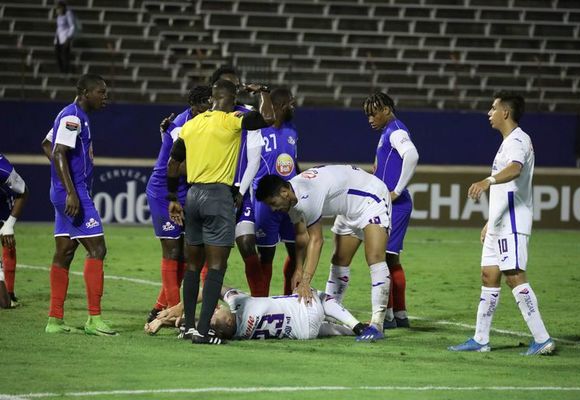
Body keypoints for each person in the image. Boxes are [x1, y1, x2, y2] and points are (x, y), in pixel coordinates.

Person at [166, 79, 274, 345]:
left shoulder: (191, 125)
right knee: (216, 266)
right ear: (231, 97)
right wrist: (263, 93)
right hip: (218, 196)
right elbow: (268, 118)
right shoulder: (231, 120)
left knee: (192, 265)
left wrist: (172, 197)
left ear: (213, 97)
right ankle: (203, 330)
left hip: (192, 196)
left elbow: (173, 162)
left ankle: (188, 327)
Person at [448, 91, 555, 355]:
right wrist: (490, 221)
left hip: (513, 221)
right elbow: (508, 188)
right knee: (489, 275)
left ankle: (542, 339)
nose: (489, 112)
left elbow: (515, 169)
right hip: (499, 221)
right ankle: (481, 339)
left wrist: (488, 180)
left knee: (514, 276)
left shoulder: (518, 140)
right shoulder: (507, 141)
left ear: (505, 112)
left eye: (493, 108)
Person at [256, 165, 391, 340]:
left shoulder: (306, 195)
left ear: (284, 192)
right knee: (339, 260)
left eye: (273, 204)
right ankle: (330, 316)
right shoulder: (292, 198)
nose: (274, 209)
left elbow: (316, 240)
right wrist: (298, 268)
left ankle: (377, 324)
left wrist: (305, 281)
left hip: (371, 197)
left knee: (374, 257)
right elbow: (301, 236)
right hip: (348, 209)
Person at [45, 73, 117, 336]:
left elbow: (47, 144)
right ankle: (94, 320)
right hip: (74, 193)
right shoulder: (73, 117)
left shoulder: (72, 115)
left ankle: (54, 320)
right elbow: (58, 151)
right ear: (86, 93)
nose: (105, 97)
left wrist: (59, 182)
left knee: (64, 252)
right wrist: (71, 192)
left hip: (64, 189)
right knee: (97, 249)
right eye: (101, 92)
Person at [145, 86, 212, 323]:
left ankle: (160, 307)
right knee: (173, 250)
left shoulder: (203, 122)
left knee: (189, 252)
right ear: (195, 105)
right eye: (207, 103)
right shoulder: (182, 126)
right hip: (165, 190)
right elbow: (177, 165)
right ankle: (173, 313)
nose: (211, 108)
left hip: (186, 190)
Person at [362, 92, 419, 329]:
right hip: (388, 204)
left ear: (386, 110)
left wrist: (396, 190)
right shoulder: (388, 132)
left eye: (373, 113)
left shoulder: (395, 131)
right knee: (389, 258)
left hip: (396, 204)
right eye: (367, 115)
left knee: (383, 259)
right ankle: (399, 314)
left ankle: (388, 316)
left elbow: (412, 155)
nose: (370, 119)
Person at [209, 66, 265, 298]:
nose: (235, 88)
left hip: (239, 192)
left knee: (246, 243)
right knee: (209, 255)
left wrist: (240, 192)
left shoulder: (247, 115)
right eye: (227, 84)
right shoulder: (204, 117)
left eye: (236, 84)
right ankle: (199, 309)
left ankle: (261, 302)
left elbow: (254, 159)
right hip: (211, 192)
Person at [145, 285, 369, 341]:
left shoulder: (237, 334)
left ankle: (349, 331)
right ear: (229, 320)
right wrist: (178, 307)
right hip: (305, 310)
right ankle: (358, 326)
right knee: (318, 296)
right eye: (217, 313)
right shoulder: (242, 306)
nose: (217, 309)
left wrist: (165, 321)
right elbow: (213, 289)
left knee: (326, 330)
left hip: (303, 333)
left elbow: (194, 323)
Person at [251, 87, 299, 296]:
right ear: (280, 106)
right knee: (266, 255)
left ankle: (290, 299)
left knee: (297, 253)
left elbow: (294, 164)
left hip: (288, 202)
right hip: (266, 203)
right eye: (291, 103)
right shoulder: (257, 131)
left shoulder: (292, 132)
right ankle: (262, 302)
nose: (294, 107)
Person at [0, 154, 29, 308]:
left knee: (7, 239)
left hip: (2, 203)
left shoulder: (3, 169)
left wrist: (9, 225)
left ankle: (9, 292)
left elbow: (23, 191)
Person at [54, 1, 76, 74]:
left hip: (65, 38)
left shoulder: (68, 14)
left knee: (65, 55)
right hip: (58, 38)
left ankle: (66, 71)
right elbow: (59, 28)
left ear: (63, 8)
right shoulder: (59, 16)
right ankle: (61, 70)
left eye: (59, 8)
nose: (57, 10)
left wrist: (68, 38)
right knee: (57, 55)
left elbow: (72, 26)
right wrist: (56, 38)